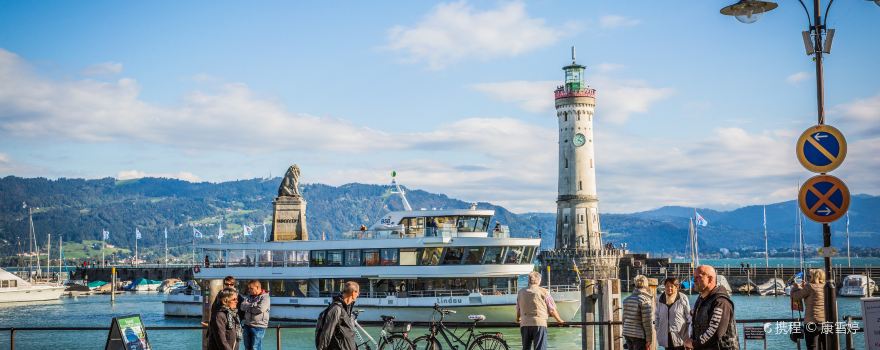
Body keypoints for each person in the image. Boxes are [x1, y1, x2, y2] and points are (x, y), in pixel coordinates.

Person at [686, 265, 739, 350]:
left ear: (710, 279)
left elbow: (715, 332)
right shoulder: (701, 299)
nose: (694, 280)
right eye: (694, 277)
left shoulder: (721, 302)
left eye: (698, 277)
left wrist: (694, 344)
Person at [516, 271, 565, 350]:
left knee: (525, 348)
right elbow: (552, 309)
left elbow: (518, 308)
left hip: (524, 324)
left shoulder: (520, 292)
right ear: (539, 280)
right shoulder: (544, 292)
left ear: (528, 281)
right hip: (539, 323)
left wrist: (518, 319)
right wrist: (559, 320)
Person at [316, 281, 360, 350]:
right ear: (353, 293)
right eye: (358, 292)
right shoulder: (336, 308)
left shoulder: (347, 307)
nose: (358, 294)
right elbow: (327, 333)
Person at [790, 269, 826, 350]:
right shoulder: (825, 286)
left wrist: (795, 287)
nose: (809, 278)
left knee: (812, 347)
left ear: (814, 277)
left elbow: (796, 296)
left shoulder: (810, 286)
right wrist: (803, 287)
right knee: (825, 346)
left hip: (811, 322)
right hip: (825, 321)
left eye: (810, 276)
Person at [656, 277, 691, 350]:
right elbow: (656, 316)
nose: (669, 288)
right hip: (665, 336)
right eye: (667, 286)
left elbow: (689, 317)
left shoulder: (682, 298)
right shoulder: (659, 299)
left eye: (672, 286)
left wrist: (690, 335)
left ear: (676, 287)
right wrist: (657, 328)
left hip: (680, 336)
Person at [623, 275, 655, 350]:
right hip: (639, 335)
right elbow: (647, 322)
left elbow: (624, 319)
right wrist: (649, 339)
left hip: (627, 333)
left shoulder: (627, 299)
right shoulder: (645, 300)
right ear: (646, 284)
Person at [240, 280, 270, 350]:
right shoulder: (248, 297)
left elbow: (260, 309)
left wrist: (248, 306)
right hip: (247, 325)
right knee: (247, 347)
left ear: (257, 287)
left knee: (255, 347)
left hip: (258, 326)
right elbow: (242, 306)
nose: (249, 290)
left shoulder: (265, 297)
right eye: (249, 288)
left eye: (251, 288)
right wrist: (253, 306)